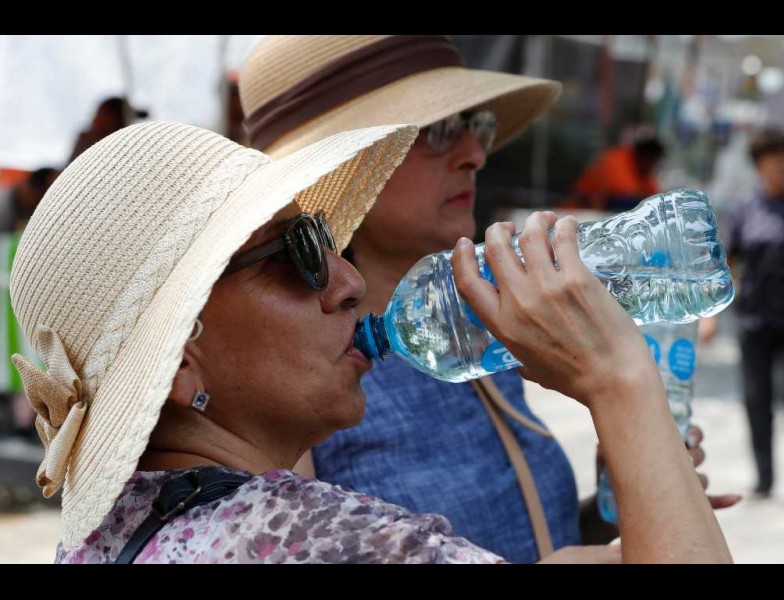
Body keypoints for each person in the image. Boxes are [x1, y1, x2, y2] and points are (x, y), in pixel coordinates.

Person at [10, 121, 731, 563]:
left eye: (327, 238)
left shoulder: (115, 527)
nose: (348, 280)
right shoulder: (315, 535)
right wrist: (618, 380)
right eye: (297, 253)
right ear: (178, 361)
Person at [239, 35, 738, 562]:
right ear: (341, 169)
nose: (474, 155)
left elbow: (510, 537)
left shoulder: (479, 314)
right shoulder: (309, 376)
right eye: (438, 131)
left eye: (477, 126)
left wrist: (637, 498)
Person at [703, 126, 784, 499]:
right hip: (755, 321)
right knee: (756, 400)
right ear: (759, 167)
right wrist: (710, 315)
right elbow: (725, 264)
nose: (780, 169)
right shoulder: (746, 209)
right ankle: (764, 479)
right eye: (772, 163)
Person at [568, 134, 666, 212]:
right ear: (645, 157)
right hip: (578, 211)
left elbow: (653, 194)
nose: (653, 167)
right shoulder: (617, 160)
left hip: (597, 213)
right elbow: (625, 191)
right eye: (652, 162)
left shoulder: (641, 170)